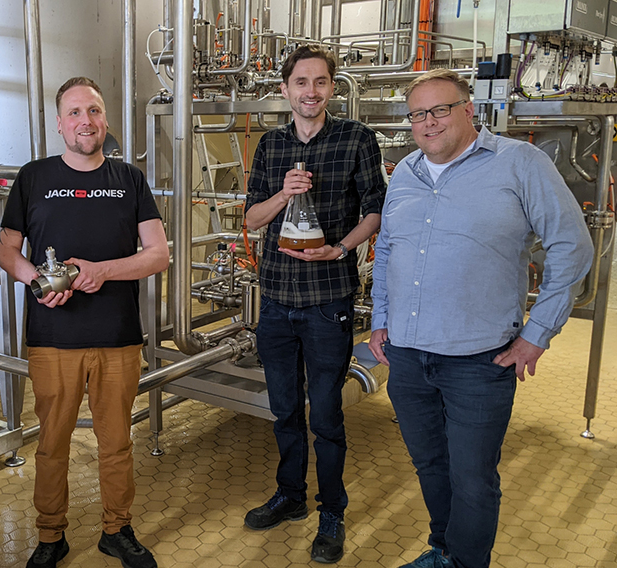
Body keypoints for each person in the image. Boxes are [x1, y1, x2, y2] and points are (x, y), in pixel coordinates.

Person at [368, 69, 594, 568]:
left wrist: (538, 334)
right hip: (407, 353)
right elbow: (386, 249)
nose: (428, 123)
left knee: (472, 477)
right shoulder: (405, 171)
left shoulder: (520, 163)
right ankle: (443, 550)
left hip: (479, 359)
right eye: (417, 114)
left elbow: (572, 247)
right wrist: (380, 317)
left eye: (440, 109)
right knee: (430, 464)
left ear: (468, 110)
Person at [0, 77, 169, 568]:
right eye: (74, 113)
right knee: (52, 445)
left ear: (106, 119)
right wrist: (36, 281)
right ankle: (51, 535)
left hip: (116, 338)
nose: (85, 122)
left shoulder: (129, 179)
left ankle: (117, 528)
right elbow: (7, 249)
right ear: (59, 123)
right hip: (52, 339)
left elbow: (159, 255)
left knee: (116, 442)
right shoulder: (32, 177)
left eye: (93, 111)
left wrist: (102, 272)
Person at [243, 45, 387, 563]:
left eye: (321, 82)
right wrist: (283, 195)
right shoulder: (270, 146)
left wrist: (342, 248)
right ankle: (291, 496)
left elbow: (377, 211)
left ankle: (332, 510)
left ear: (332, 87)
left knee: (325, 411)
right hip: (277, 299)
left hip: (329, 300)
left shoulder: (356, 139)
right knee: (283, 408)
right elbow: (252, 219)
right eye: (301, 82)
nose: (311, 91)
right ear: (285, 90)